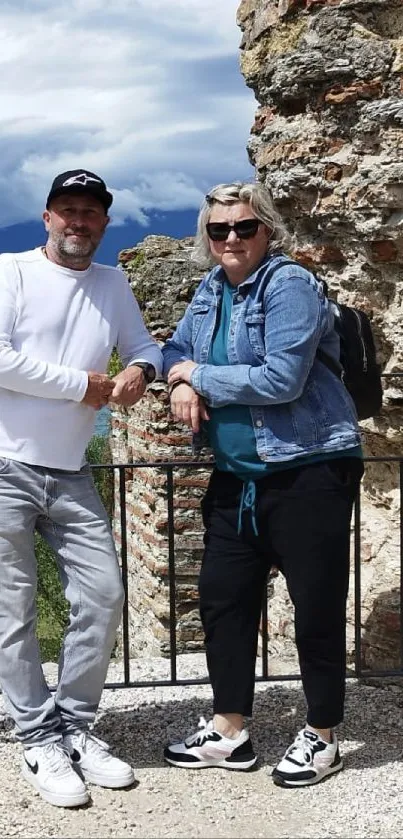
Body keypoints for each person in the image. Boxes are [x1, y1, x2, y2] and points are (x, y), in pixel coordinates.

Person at [162, 181, 363, 787]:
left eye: (243, 227)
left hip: (308, 469)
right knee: (224, 600)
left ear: (266, 230)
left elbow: (282, 379)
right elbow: (175, 344)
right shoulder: (208, 290)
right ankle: (230, 731)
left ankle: (323, 732)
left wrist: (199, 373)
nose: (230, 239)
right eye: (218, 230)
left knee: (316, 605)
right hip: (237, 476)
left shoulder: (290, 285)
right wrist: (178, 381)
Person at [0, 169, 163, 807]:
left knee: (104, 596)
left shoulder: (113, 283)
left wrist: (145, 369)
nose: (78, 221)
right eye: (67, 210)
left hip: (71, 470)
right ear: (47, 217)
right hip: (5, 464)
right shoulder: (9, 271)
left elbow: (144, 344)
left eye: (90, 213)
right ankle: (37, 736)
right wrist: (89, 386)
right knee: (13, 612)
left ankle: (75, 725)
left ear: (103, 223)